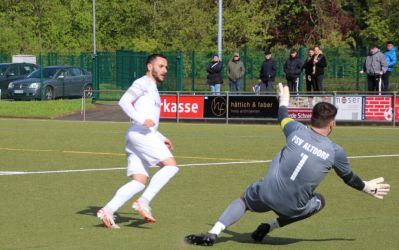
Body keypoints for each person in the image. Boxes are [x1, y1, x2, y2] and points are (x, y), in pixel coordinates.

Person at [184, 83, 390, 246]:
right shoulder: (335, 151)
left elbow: (282, 115)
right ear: (332, 123)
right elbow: (349, 179)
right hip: (292, 207)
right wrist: (365, 187)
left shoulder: (295, 130)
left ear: (311, 118)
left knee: (244, 200)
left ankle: (213, 233)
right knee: (319, 201)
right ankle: (270, 226)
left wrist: (283, 101)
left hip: (267, 193)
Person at [97, 54, 179, 229]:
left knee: (139, 181)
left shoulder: (153, 88)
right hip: (140, 134)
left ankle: (108, 210)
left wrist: (161, 137)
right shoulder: (143, 82)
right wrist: (141, 119)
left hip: (138, 135)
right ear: (150, 67)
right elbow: (124, 101)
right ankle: (144, 201)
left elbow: (150, 123)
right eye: (161, 66)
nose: (165, 70)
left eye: (166, 67)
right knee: (171, 166)